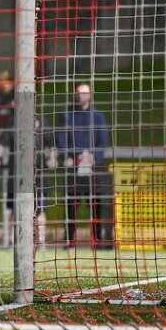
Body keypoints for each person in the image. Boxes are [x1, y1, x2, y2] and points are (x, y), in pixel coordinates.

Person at [56, 82, 112, 247]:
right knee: (71, 204)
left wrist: (95, 158)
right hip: (73, 168)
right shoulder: (67, 114)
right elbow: (60, 138)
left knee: (95, 204)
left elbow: (103, 141)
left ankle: (97, 240)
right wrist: (66, 156)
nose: (82, 96)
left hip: (92, 168)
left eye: (85, 93)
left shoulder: (97, 115)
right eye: (79, 93)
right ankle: (70, 239)